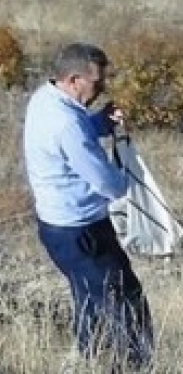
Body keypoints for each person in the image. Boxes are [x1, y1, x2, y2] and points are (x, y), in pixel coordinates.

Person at [22, 43, 153, 370]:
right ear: (74, 79)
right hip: (82, 230)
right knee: (126, 300)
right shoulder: (66, 122)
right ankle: (136, 365)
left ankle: (88, 360)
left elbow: (74, 137)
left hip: (59, 227)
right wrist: (132, 178)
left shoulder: (45, 100)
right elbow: (106, 182)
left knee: (90, 298)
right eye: (97, 83)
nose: (102, 88)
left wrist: (100, 123)